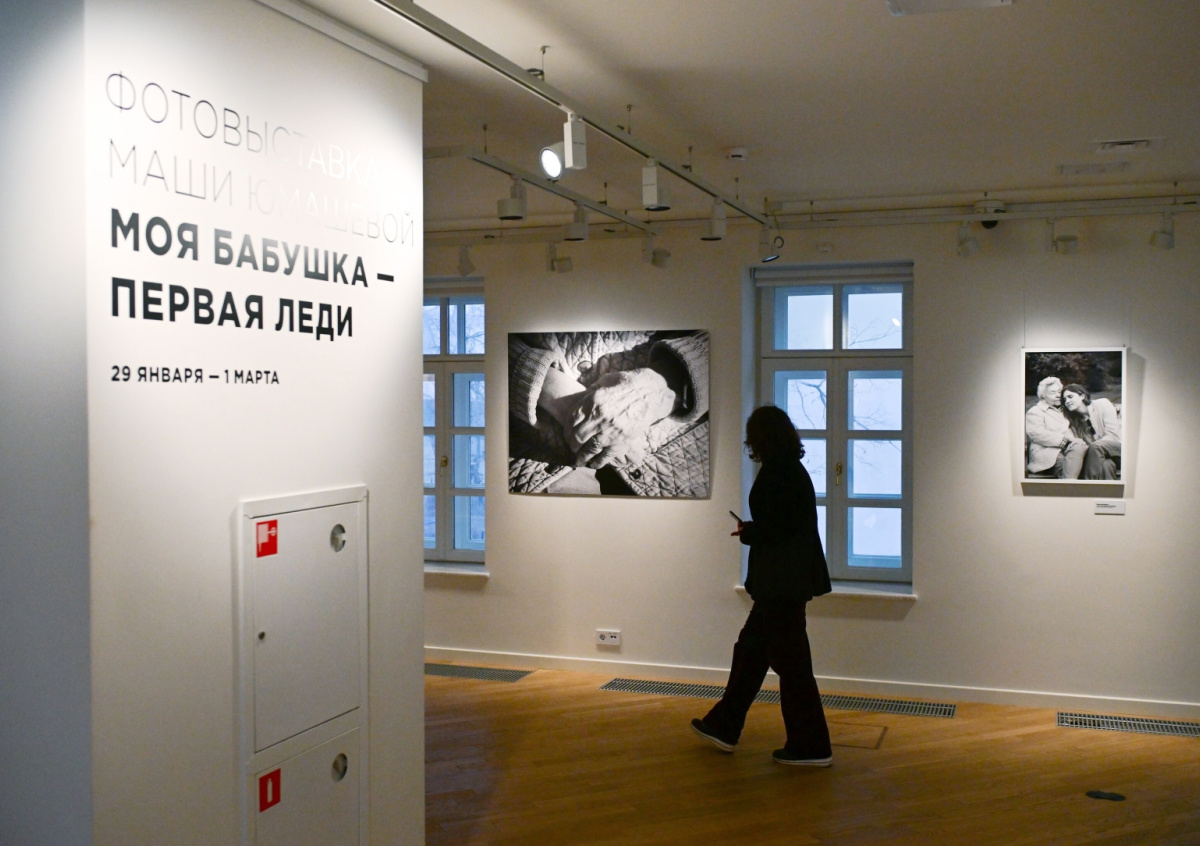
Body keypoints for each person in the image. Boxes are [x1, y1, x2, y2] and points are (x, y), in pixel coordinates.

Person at [690, 405, 833, 766]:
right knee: (751, 653)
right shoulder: (788, 469)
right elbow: (785, 524)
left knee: (792, 665)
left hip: (781, 584)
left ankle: (811, 746)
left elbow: (779, 529)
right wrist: (755, 530)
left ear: (761, 438)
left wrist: (750, 532)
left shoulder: (780, 472)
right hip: (783, 582)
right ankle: (724, 725)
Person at [508, 331, 709, 497]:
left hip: (673, 451)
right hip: (537, 450)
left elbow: (724, 334)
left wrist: (662, 384)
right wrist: (543, 382)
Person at [1025, 376, 1086, 478]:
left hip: (1071, 449)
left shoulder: (1066, 409)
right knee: (1068, 465)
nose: (1058, 395)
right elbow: (1037, 434)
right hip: (1047, 453)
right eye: (1052, 393)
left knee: (1079, 449)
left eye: (1059, 392)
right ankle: (1069, 484)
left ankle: (1069, 483)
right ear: (1043, 396)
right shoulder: (1035, 411)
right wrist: (1066, 441)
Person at [1061, 383, 1121, 480]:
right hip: (1099, 457)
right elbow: (1079, 444)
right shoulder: (1075, 422)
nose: (1067, 401)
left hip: (1117, 450)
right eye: (1064, 400)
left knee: (1096, 446)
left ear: (1082, 396)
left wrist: (1093, 447)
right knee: (1106, 465)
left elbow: (1113, 435)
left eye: (1070, 397)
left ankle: (1087, 483)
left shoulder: (1102, 404)